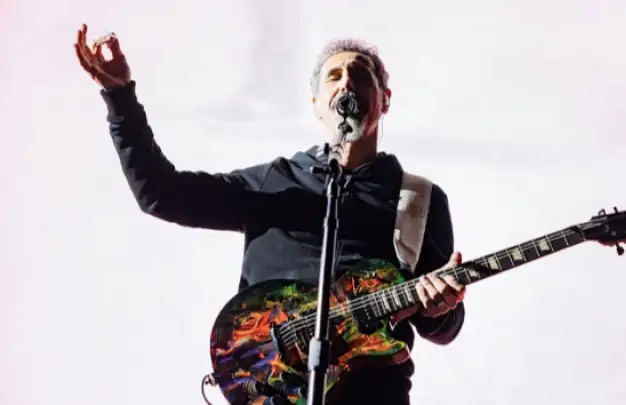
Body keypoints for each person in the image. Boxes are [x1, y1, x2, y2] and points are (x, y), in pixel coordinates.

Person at [73, 23, 466, 405]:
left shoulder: (419, 199)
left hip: (373, 392)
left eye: (360, 75)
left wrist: (438, 307)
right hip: (275, 387)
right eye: (333, 76)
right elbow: (161, 193)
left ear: (385, 100)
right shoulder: (276, 181)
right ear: (316, 104)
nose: (346, 82)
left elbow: (446, 324)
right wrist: (120, 98)